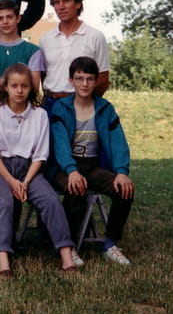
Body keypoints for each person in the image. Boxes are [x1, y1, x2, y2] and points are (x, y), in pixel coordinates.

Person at [0, 63, 78, 278]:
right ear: (6, 87)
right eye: (14, 85)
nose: (19, 90)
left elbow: (40, 155)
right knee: (5, 202)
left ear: (31, 88)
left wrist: (24, 182)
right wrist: (11, 181)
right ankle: (4, 261)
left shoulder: (39, 115)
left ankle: (66, 256)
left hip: (29, 170)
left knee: (50, 200)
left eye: (24, 86)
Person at [48, 57, 134, 265]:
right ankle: (69, 247)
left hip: (92, 165)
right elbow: (59, 143)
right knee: (75, 188)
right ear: (71, 80)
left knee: (124, 190)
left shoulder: (105, 109)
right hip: (64, 167)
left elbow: (118, 141)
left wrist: (122, 172)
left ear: (96, 81)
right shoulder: (61, 107)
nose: (84, 84)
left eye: (89, 79)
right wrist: (71, 170)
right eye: (79, 78)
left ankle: (110, 244)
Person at [39, 0, 110, 115]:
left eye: (66, 1)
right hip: (50, 105)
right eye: (56, 2)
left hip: (81, 104)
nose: (61, 7)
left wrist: (84, 102)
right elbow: (43, 76)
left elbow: (103, 79)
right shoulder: (45, 39)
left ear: (78, 3)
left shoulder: (95, 37)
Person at [0, 0, 45, 116]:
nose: (5, 22)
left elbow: (34, 87)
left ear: (18, 18)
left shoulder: (33, 51)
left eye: (9, 17)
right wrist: (20, 83)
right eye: (0, 18)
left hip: (21, 115)